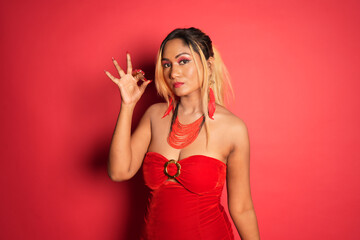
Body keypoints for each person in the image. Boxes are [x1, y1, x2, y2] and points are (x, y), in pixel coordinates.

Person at [104, 27, 260, 240]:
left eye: (183, 61)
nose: (173, 72)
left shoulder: (233, 128)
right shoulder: (154, 116)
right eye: (167, 64)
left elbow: (242, 208)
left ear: (209, 65)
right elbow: (119, 171)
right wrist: (127, 105)